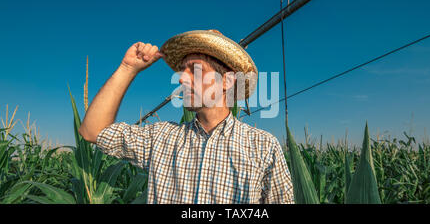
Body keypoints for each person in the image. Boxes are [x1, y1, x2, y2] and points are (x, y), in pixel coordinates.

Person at [78, 30, 294, 204]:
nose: (182, 79)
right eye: (182, 71)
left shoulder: (263, 147)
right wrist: (128, 68)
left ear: (227, 81)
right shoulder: (160, 138)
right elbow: (92, 131)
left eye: (194, 70)